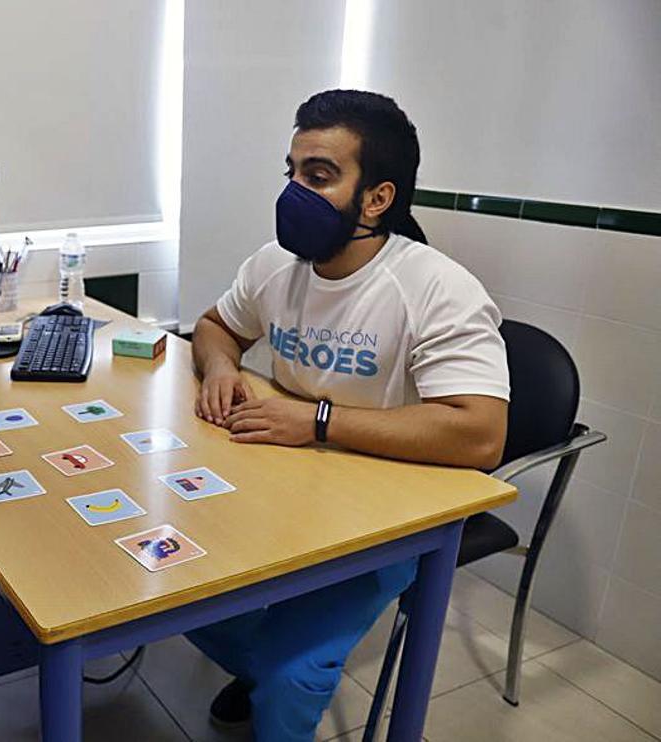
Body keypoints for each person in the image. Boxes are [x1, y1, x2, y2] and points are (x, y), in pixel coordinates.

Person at [189, 90, 509, 740]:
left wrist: (316, 422)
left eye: (319, 176)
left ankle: (271, 677)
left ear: (377, 199)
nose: (294, 193)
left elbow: (481, 433)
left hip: (381, 519)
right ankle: (256, 665)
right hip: (281, 486)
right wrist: (221, 368)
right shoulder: (276, 263)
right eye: (292, 172)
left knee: (291, 674)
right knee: (180, 600)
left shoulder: (436, 288)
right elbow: (216, 326)